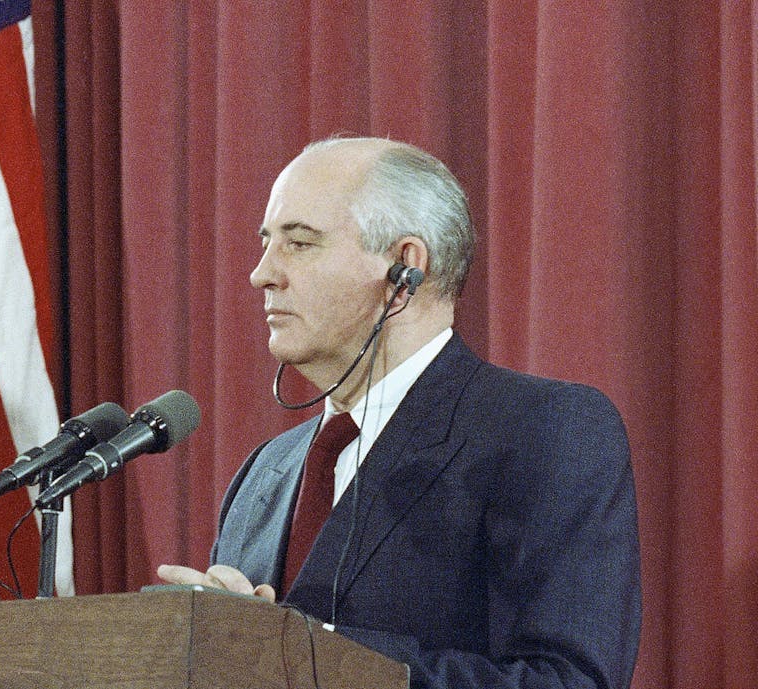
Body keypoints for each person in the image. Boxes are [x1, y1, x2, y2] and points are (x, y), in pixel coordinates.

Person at [158, 137, 641, 689]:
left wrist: (301, 652)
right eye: (267, 243)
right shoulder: (264, 471)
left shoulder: (545, 429)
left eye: (299, 243)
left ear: (404, 268)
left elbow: (570, 681)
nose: (261, 274)